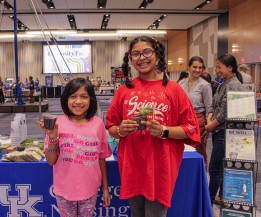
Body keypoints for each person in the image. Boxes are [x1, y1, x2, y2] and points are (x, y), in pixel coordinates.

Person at [105, 36, 200, 217]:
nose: (142, 58)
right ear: (130, 59)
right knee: (136, 213)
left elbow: (190, 128)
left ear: (156, 55)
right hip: (133, 166)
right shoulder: (124, 90)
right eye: (136, 54)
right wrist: (120, 130)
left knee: (156, 214)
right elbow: (111, 127)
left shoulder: (174, 89)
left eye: (147, 52)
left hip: (160, 166)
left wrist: (164, 131)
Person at [39, 77, 112, 216]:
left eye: (84, 96)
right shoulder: (57, 123)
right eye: (73, 96)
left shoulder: (97, 124)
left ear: (91, 100)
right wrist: (53, 138)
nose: (78, 101)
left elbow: (101, 159)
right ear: (66, 99)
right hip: (64, 190)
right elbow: (50, 161)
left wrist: (105, 189)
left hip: (90, 190)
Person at [203, 54, 243, 213]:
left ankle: (209, 203)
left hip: (225, 133)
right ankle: (215, 198)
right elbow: (213, 105)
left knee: (214, 168)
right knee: (218, 168)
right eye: (217, 67)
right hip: (217, 130)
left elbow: (225, 113)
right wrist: (209, 121)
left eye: (220, 67)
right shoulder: (222, 84)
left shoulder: (235, 85)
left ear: (230, 67)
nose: (217, 70)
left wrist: (208, 127)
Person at [179, 56, 212, 171]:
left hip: (198, 119)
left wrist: (208, 127)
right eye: (195, 67)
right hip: (182, 120)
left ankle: (201, 175)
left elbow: (209, 107)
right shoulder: (181, 84)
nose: (197, 70)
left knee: (199, 149)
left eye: (200, 68)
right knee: (182, 147)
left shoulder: (205, 85)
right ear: (189, 67)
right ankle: (184, 171)